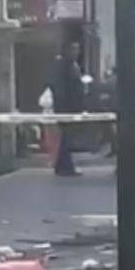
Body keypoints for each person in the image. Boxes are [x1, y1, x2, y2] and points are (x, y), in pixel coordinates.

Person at [50, 40, 84, 176]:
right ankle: (67, 167)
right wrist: (63, 107)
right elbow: (61, 89)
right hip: (66, 108)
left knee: (66, 137)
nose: (76, 52)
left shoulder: (73, 65)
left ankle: (60, 166)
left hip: (71, 107)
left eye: (78, 49)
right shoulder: (64, 66)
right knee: (66, 138)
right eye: (74, 49)